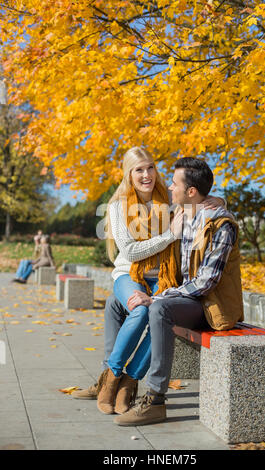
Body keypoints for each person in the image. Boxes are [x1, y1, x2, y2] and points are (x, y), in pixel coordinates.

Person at [72, 148, 225, 414]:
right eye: (139, 169)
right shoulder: (118, 205)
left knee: (160, 316)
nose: (146, 175)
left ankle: (129, 382)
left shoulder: (168, 197)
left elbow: (195, 197)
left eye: (150, 168)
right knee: (141, 309)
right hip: (128, 274)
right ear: (129, 174)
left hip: (164, 277)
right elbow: (129, 251)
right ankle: (112, 377)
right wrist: (169, 236)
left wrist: (219, 200)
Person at [104, 157, 244, 426]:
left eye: (175, 183)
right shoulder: (186, 215)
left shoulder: (221, 226)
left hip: (211, 305)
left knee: (158, 309)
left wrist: (156, 296)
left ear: (190, 191)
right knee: (118, 302)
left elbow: (206, 283)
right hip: (188, 299)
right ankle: (111, 377)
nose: (169, 187)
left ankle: (154, 398)